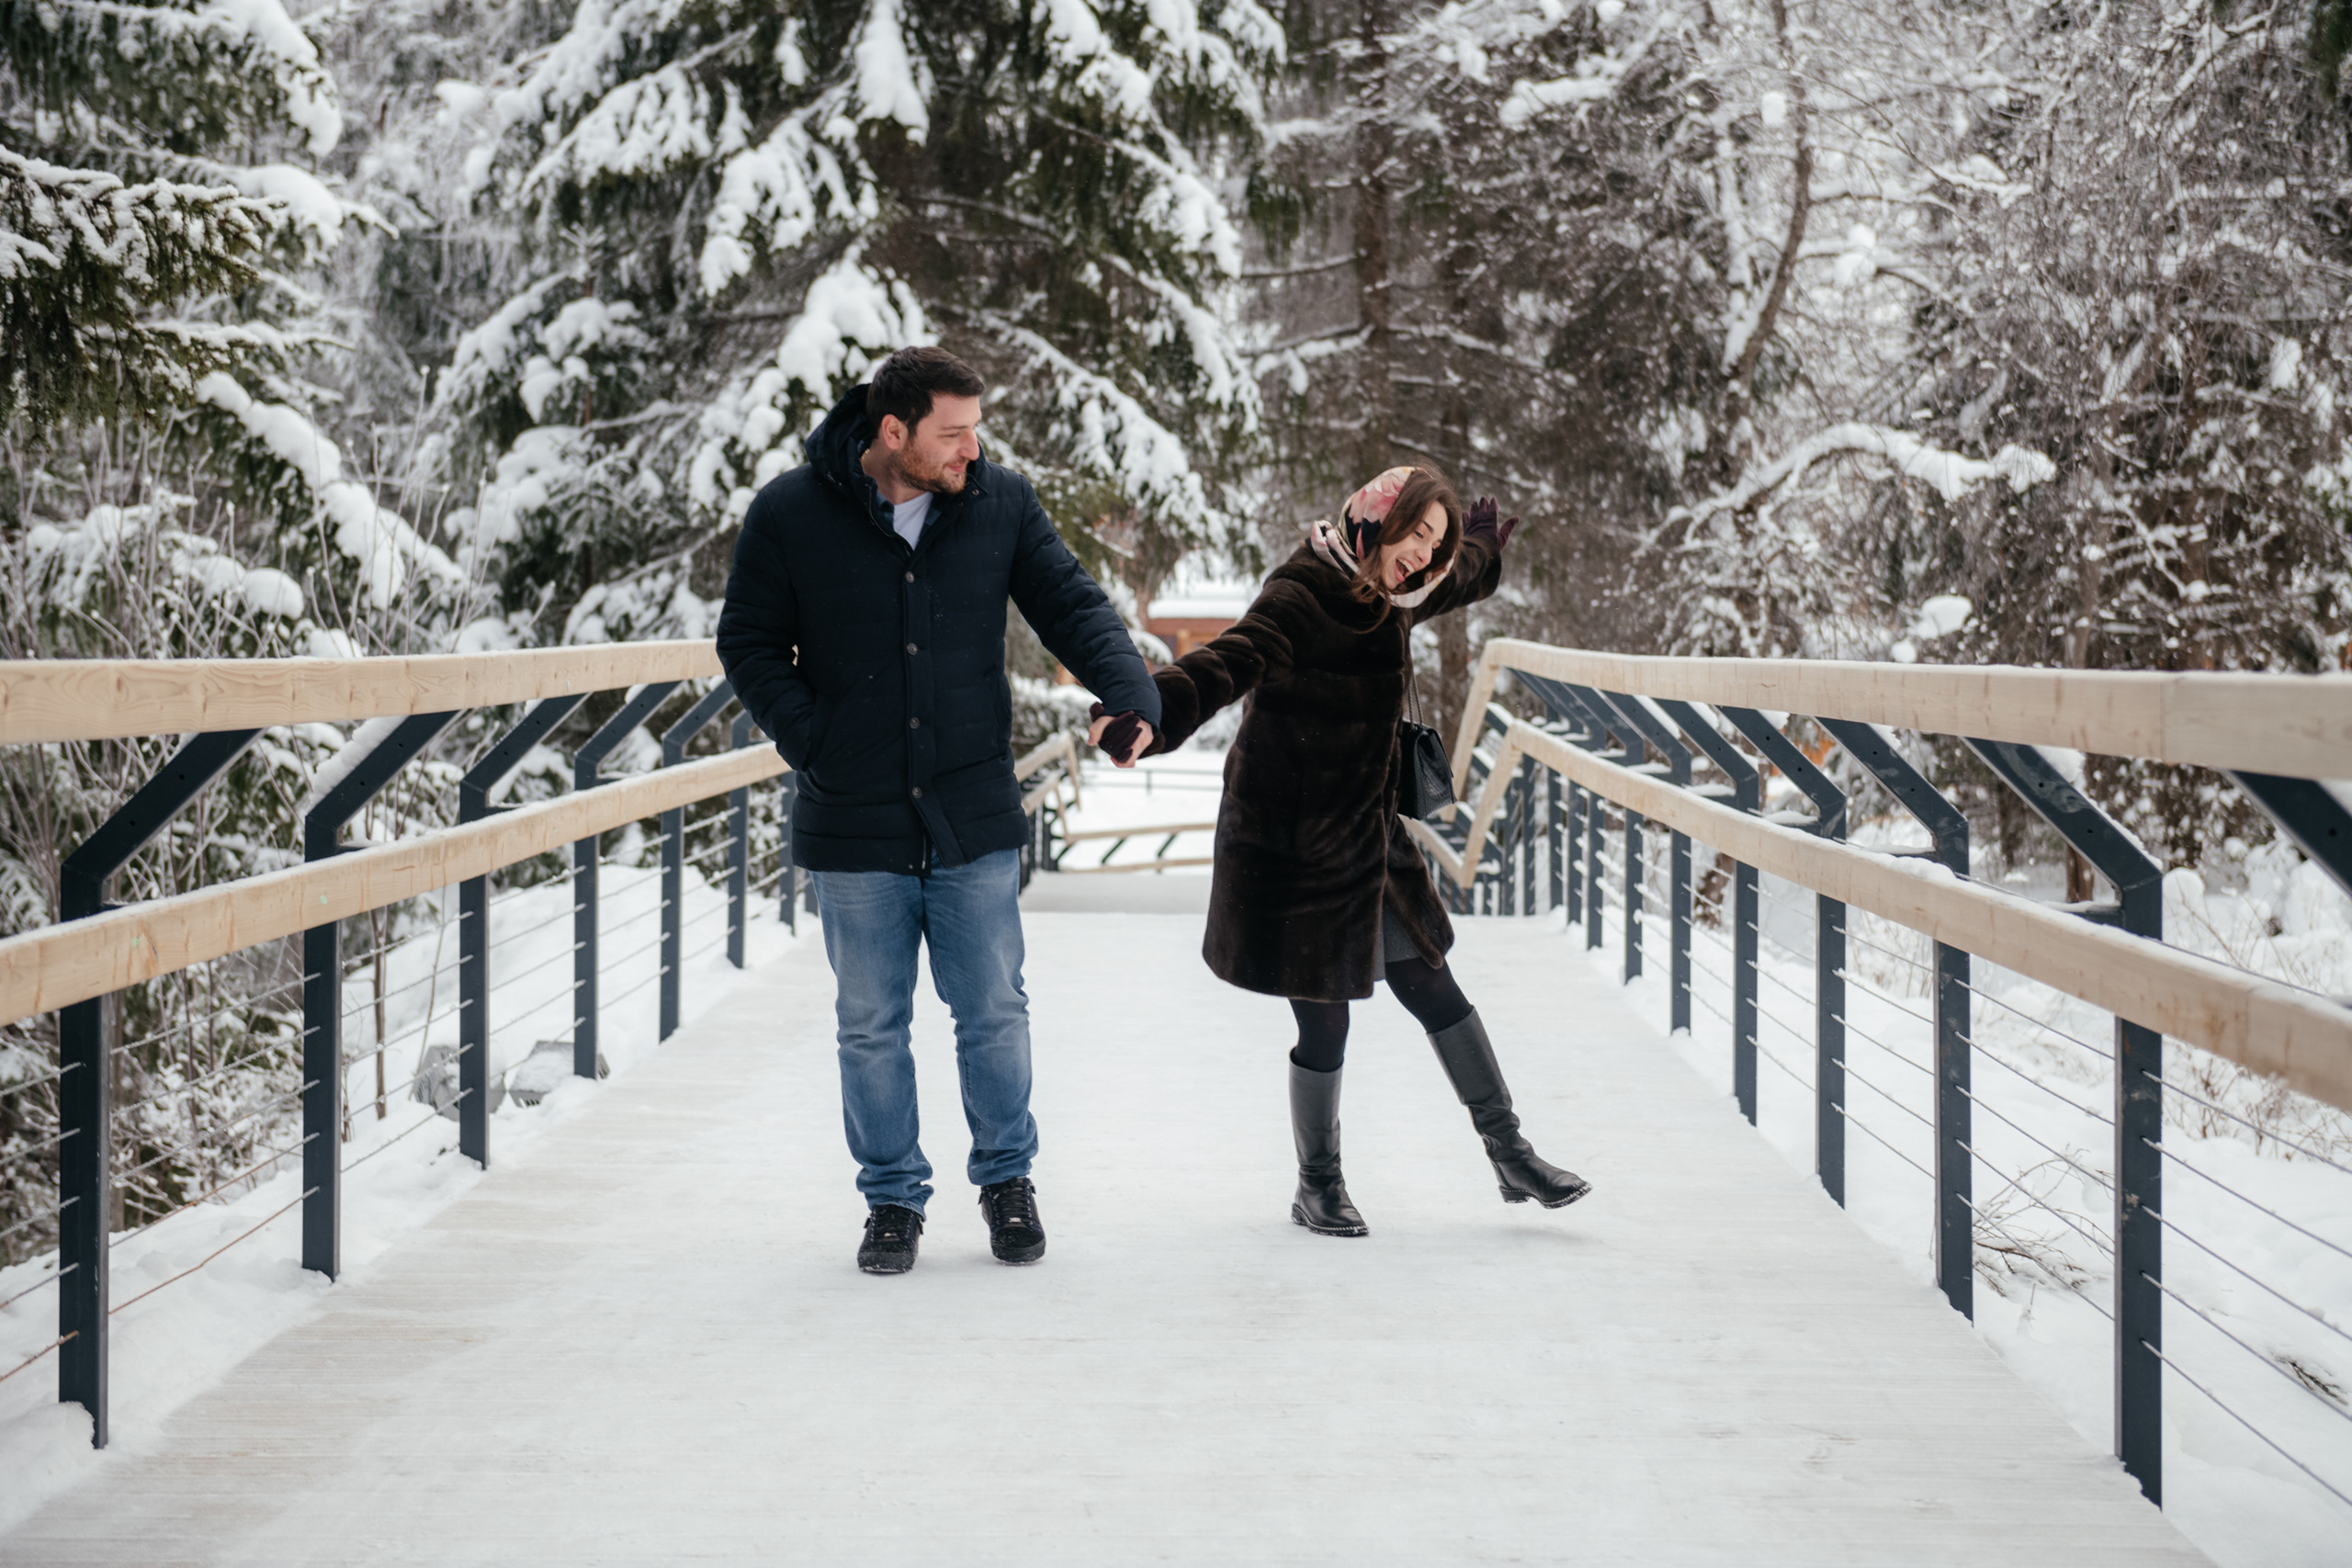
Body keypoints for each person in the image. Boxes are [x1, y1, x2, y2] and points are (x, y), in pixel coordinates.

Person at [718, 346, 1159, 1275]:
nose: (972, 449)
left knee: (992, 1009)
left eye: (976, 430)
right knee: (870, 1023)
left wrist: (1129, 694)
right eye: (952, 433)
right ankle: (891, 1200)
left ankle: (1007, 1182)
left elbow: (1072, 604)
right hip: (853, 818)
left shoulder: (999, 503)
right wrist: (817, 739)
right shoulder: (791, 512)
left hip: (970, 811)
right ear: (894, 431)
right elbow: (748, 642)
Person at [1127, 465, 1590, 1235]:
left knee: (1434, 985)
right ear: (1377, 520)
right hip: (1297, 844)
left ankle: (1512, 1153)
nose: (1425, 557)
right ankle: (1318, 1185)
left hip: (1370, 837)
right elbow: (1232, 657)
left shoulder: (1396, 589)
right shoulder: (1304, 592)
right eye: (1417, 536)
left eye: (1435, 544)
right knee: (1326, 1023)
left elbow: (1456, 577)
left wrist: (1479, 548)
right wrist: (1155, 712)